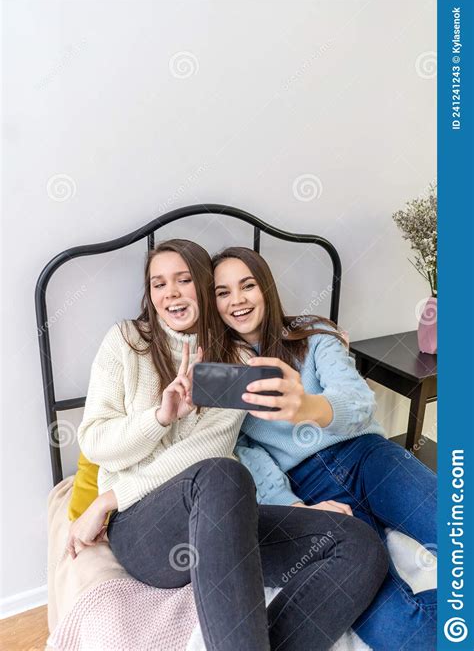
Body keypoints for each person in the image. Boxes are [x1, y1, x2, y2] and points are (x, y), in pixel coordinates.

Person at [66, 239, 388, 651]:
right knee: (223, 473)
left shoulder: (233, 359)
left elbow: (206, 452)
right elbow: (94, 442)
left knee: (357, 543)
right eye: (159, 284)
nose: (172, 293)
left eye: (184, 280)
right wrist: (158, 420)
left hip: (218, 518)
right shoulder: (126, 341)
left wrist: (107, 497)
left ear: (203, 287)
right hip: (145, 529)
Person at [213, 246, 437, 651]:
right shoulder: (222, 373)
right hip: (311, 489)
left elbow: (357, 399)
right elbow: (243, 451)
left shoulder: (313, 336)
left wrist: (307, 406)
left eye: (247, 285)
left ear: (265, 287)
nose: (238, 300)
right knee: (407, 635)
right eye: (223, 292)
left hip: (368, 456)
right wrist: (294, 508)